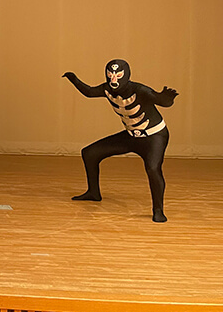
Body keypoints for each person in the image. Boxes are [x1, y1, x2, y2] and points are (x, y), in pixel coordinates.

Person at [63, 59, 178, 222]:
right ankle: (93, 193)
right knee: (90, 153)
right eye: (110, 75)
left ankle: (158, 210)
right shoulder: (106, 89)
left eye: (118, 75)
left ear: (126, 75)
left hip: (154, 136)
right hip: (131, 136)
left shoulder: (139, 90)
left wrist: (167, 99)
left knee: (153, 169)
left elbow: (161, 101)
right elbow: (89, 92)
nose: (113, 79)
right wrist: (73, 78)